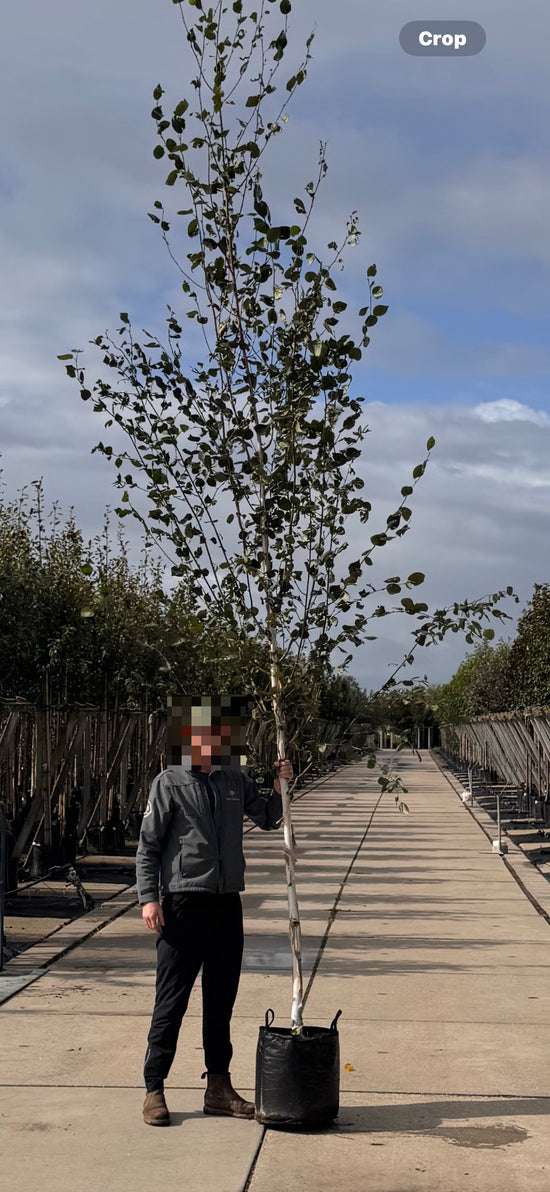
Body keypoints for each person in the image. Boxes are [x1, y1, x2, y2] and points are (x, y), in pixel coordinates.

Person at [136, 695, 293, 1127]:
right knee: (171, 1000)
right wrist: (148, 898)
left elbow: (268, 817)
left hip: (226, 903)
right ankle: (154, 1087)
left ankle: (218, 1088)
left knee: (221, 1000)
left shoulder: (232, 780)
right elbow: (148, 846)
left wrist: (281, 785)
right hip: (182, 904)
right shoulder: (168, 783)